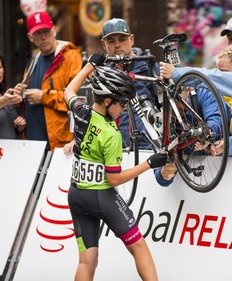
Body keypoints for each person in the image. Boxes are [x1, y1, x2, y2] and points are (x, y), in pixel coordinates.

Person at [63, 54, 168, 281]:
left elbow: (68, 91)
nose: (124, 108)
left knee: (86, 261)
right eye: (122, 103)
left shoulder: (81, 112)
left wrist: (90, 65)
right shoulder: (111, 135)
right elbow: (115, 180)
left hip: (76, 195)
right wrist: (148, 164)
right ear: (108, 101)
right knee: (139, 247)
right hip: (101, 196)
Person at [14, 11, 82, 151]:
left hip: (61, 145)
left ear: (54, 30)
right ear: (30, 37)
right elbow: (28, 102)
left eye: (46, 31)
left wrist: (44, 96)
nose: (43, 37)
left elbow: (79, 100)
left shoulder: (71, 57)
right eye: (38, 33)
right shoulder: (34, 60)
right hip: (33, 143)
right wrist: (19, 101)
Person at [100, 18, 159, 150]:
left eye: (122, 39)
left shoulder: (148, 66)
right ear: (104, 44)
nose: (117, 45)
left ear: (131, 40)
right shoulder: (103, 74)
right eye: (111, 41)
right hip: (116, 145)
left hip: (149, 143)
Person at [0, 50, 26, 139]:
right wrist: (3, 101)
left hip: (9, 150)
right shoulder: (5, 99)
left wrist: (18, 127)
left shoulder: (7, 96)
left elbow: (6, 129)